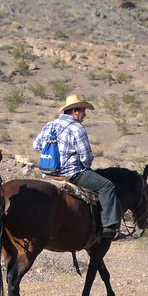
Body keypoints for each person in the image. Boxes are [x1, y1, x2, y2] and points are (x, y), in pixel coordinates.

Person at [33, 93, 120, 239]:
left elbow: (36, 146)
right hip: (72, 174)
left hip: (47, 174)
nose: (85, 115)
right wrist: (85, 165)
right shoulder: (77, 128)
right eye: (83, 111)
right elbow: (86, 157)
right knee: (107, 186)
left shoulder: (50, 125)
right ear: (75, 112)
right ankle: (108, 227)